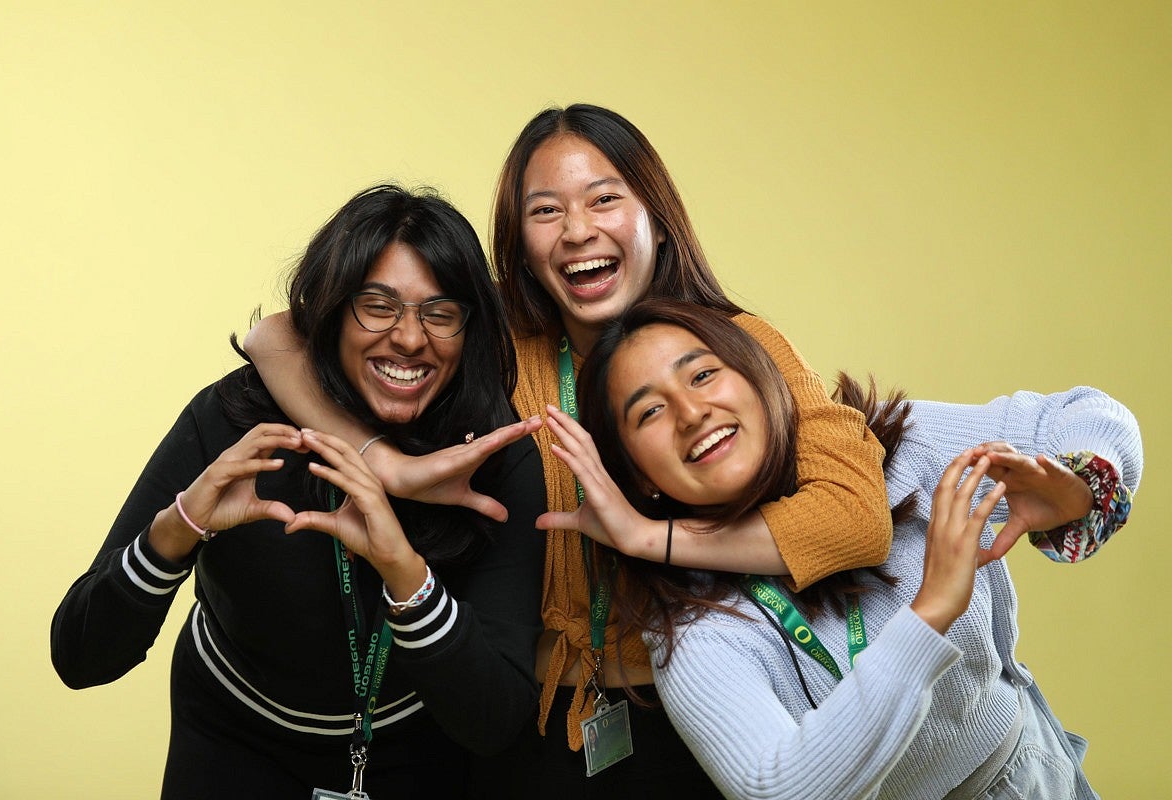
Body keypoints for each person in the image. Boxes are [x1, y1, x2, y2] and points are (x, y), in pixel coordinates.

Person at [244, 104, 892, 795]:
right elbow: (277, 337)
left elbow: (856, 516)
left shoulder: (738, 348)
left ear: (657, 218)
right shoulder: (499, 342)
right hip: (528, 718)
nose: (578, 230)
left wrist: (652, 538)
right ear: (519, 244)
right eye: (545, 211)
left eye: (605, 199)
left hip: (711, 711)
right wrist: (386, 462)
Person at [50, 185, 546, 799]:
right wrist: (174, 533)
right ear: (333, 311)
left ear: (469, 328)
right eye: (377, 305)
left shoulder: (493, 460)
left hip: (416, 754)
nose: (410, 339)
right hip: (231, 742)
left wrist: (404, 572)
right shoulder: (234, 420)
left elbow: (495, 720)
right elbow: (80, 655)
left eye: (439, 313)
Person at [546, 298, 1140, 799]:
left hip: (1032, 774)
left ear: (760, 378)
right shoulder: (691, 623)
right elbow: (774, 786)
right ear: (638, 475)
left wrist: (1078, 486)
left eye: (702, 375)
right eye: (649, 410)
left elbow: (1089, 414)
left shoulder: (889, 452)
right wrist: (928, 615)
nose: (692, 412)